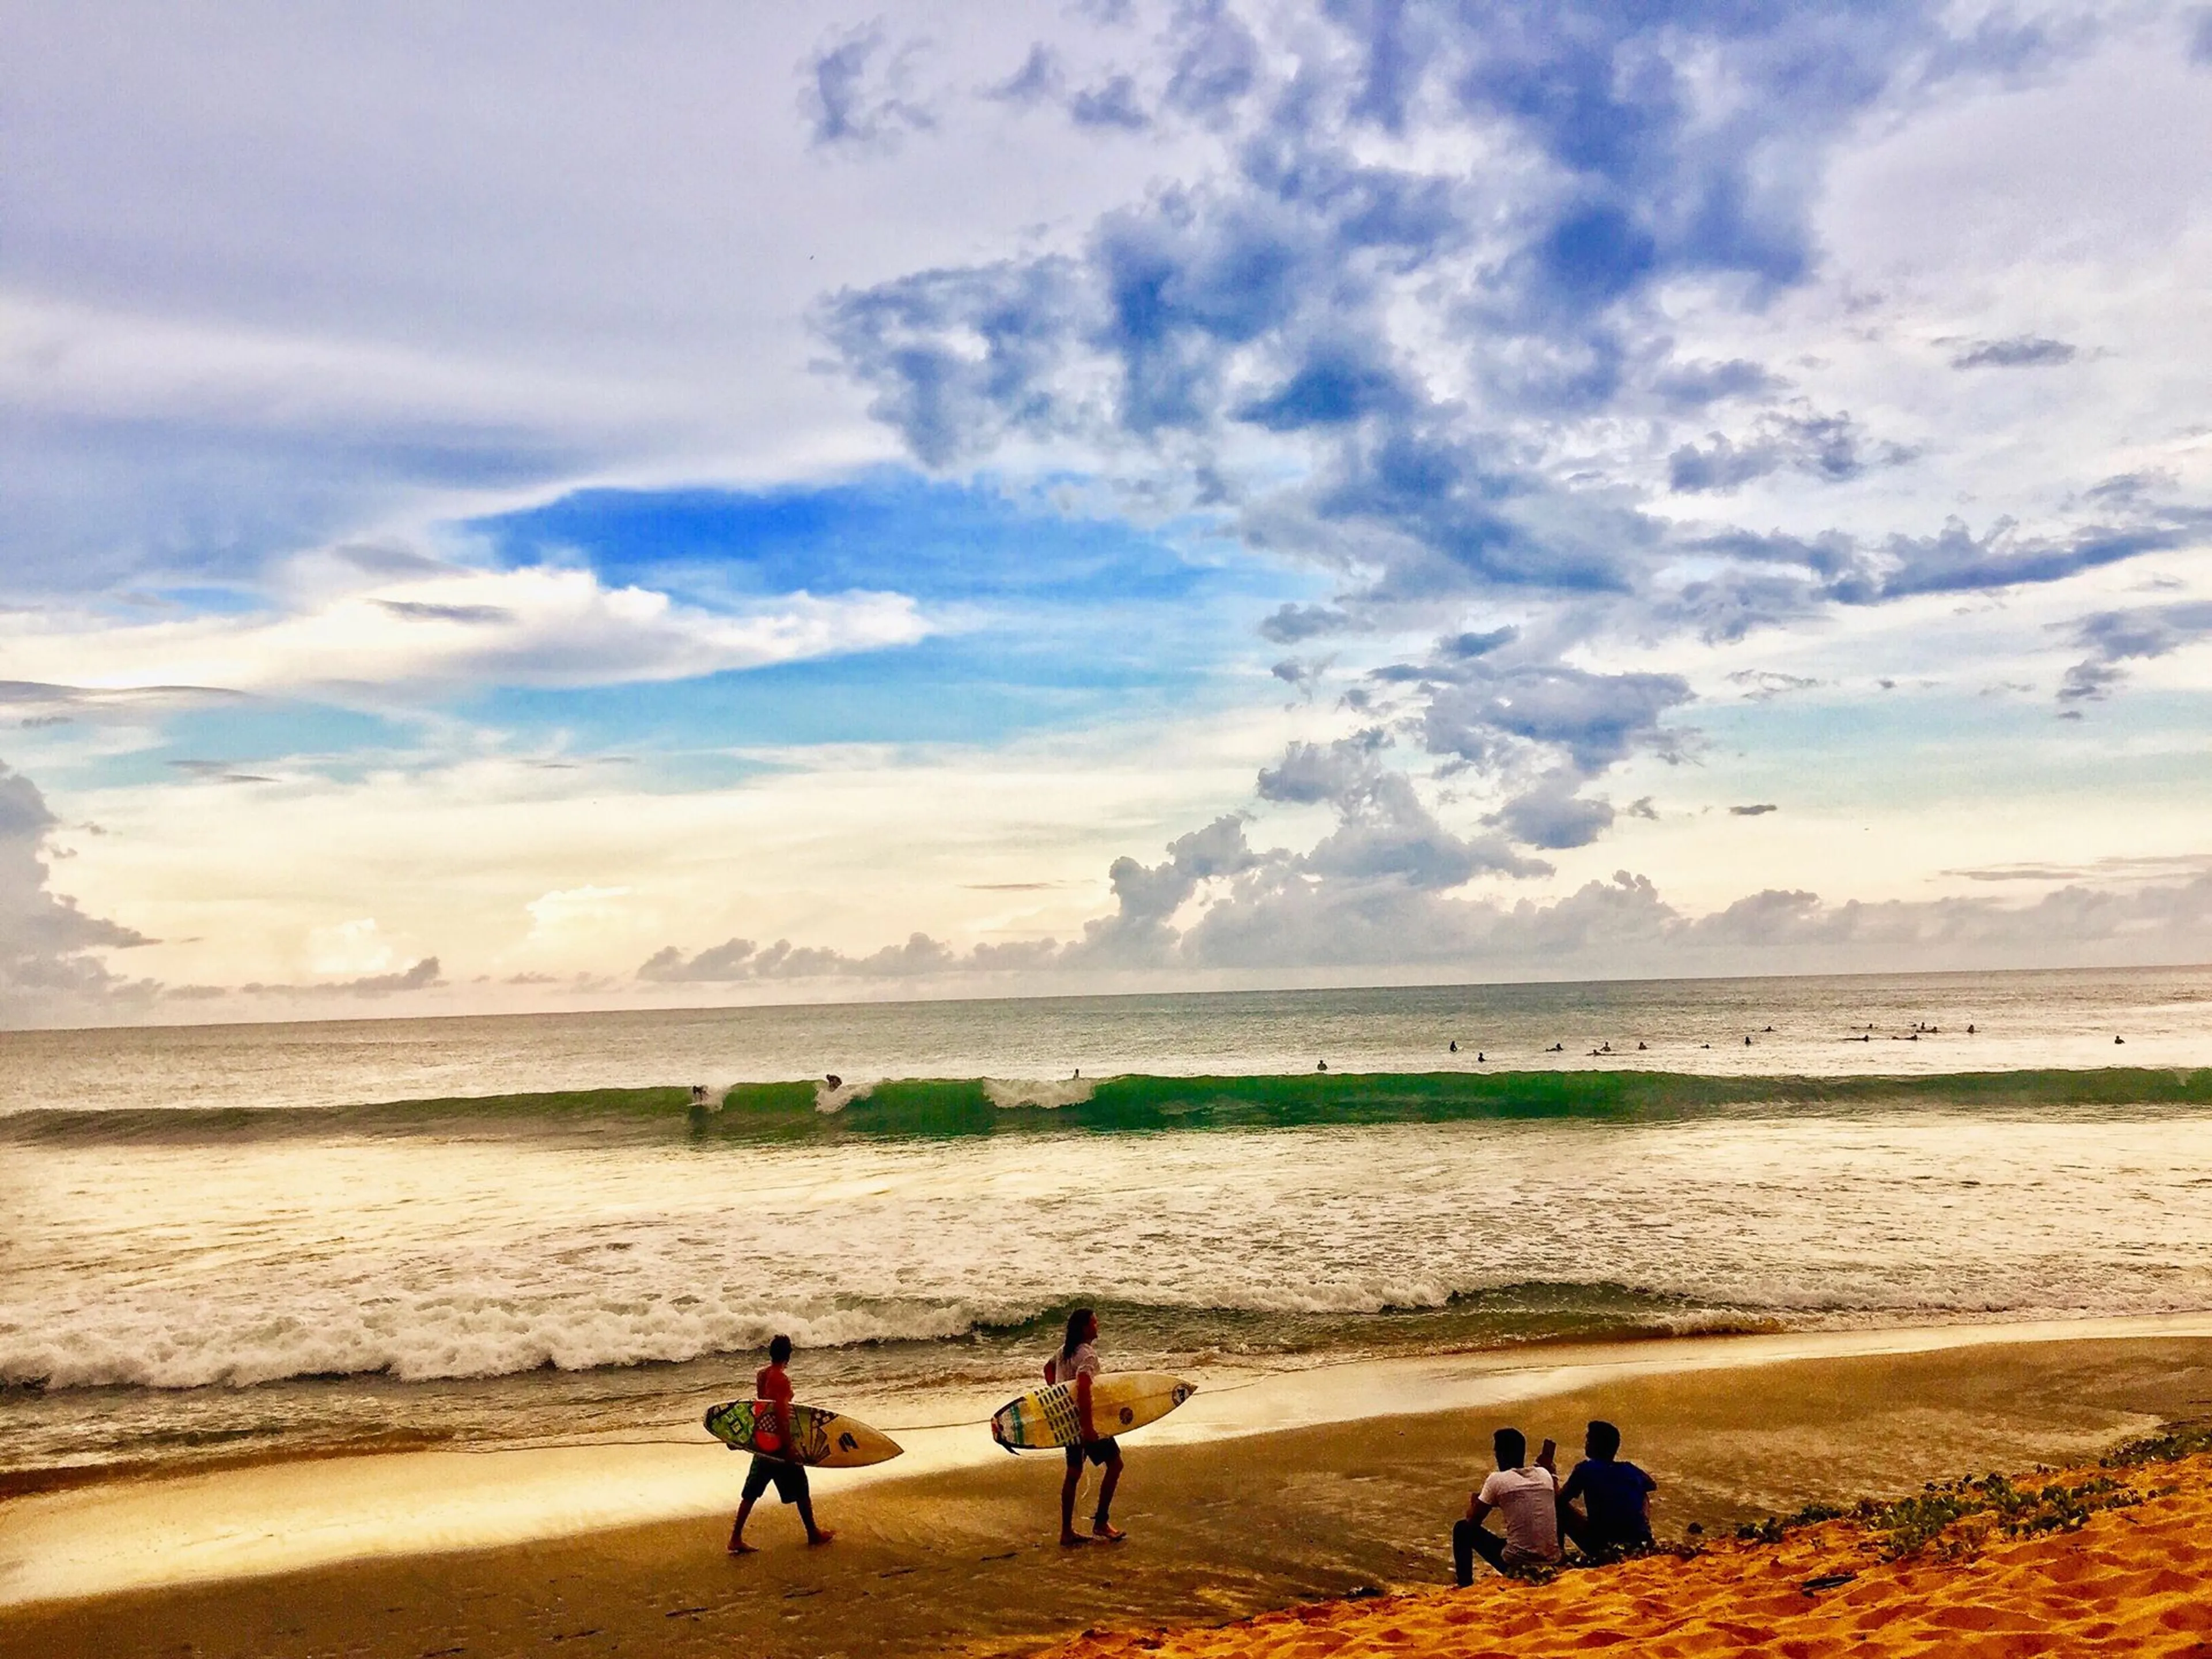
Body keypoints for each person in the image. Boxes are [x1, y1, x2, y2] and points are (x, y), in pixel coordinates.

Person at [728, 1335, 834, 1554]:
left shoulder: (762, 1375)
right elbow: (782, 1415)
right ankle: (813, 1533)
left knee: (751, 1491)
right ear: (788, 1355)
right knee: (802, 1488)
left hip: (763, 1442)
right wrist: (788, 1447)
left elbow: (764, 1408)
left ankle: (736, 1537)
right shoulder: (781, 1379)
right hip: (778, 1444)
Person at [1047, 1307, 1124, 1546]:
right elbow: (1083, 1388)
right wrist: (1088, 1426)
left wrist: (1056, 1394)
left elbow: (1048, 1369)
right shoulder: (1087, 1355)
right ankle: (1101, 1522)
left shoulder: (1063, 1352)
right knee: (1115, 1464)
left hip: (1068, 1420)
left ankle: (1066, 1532)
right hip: (1084, 1421)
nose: (1097, 1326)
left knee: (1073, 1474)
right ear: (1084, 1328)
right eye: (1094, 1323)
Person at [1453, 1427, 1560, 1584]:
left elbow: (1473, 1520)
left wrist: (1476, 1503)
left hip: (1517, 1562)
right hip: (1551, 1559)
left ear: (1500, 1454)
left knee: (1462, 1529)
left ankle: (1465, 1584)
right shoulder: (1544, 1475)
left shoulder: (1497, 1480)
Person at [1556, 1420, 1656, 1558]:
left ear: (1595, 1446)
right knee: (1643, 1493)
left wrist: (1551, 1477)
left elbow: (1560, 1500)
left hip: (1605, 1545)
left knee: (1559, 1509)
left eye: (1588, 1441)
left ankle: (1558, 1554)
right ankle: (1640, 1526)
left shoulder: (1585, 1469)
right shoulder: (1629, 1468)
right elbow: (1651, 1484)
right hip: (1642, 1543)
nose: (1586, 1444)